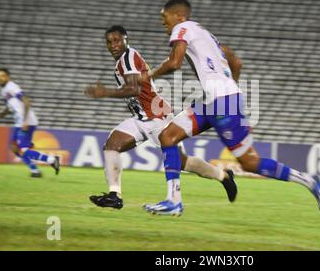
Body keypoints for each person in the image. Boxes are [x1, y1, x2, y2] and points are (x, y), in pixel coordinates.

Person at [142, 0, 320, 216]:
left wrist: (148, 74)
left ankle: (308, 180)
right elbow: (236, 62)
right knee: (167, 137)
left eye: (165, 17)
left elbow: (174, 63)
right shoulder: (207, 35)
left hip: (222, 102)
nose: (164, 22)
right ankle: (174, 201)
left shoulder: (181, 28)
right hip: (216, 101)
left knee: (249, 163)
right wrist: (231, 95)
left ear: (179, 16)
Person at [84, 25, 237, 210]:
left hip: (157, 117)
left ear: (126, 39)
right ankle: (114, 195)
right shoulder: (122, 62)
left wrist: (105, 92)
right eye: (109, 42)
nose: (113, 45)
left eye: (117, 40)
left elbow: (135, 88)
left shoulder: (129, 58)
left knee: (181, 162)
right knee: (112, 145)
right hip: (140, 118)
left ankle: (223, 176)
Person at [0, 68, 60, 177]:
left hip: (26, 122)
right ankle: (35, 171)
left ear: (8, 77)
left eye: (2, 76)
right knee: (14, 147)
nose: (0, 78)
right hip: (18, 122)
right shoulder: (4, 90)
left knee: (24, 150)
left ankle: (52, 160)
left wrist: (25, 120)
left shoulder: (12, 86)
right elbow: (10, 107)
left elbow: (26, 100)